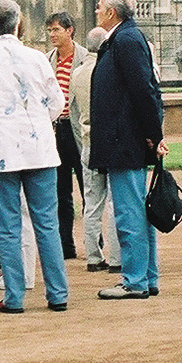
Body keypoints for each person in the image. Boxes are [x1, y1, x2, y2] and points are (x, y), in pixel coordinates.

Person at [0, 0, 68, 315]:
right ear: (18, 22)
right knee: (46, 223)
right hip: (39, 148)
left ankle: (15, 296)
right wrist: (36, 121)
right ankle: (58, 293)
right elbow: (56, 103)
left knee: (7, 226)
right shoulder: (37, 58)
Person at [90, 0, 166, 301]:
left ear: (112, 12)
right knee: (136, 211)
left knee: (129, 213)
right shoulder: (123, 39)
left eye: (100, 6)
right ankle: (146, 276)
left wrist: (155, 135)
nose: (96, 10)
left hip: (124, 140)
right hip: (124, 138)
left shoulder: (126, 40)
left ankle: (135, 280)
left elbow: (145, 90)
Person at [74, 27, 119, 274]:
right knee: (113, 200)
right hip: (108, 141)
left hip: (87, 141)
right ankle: (117, 256)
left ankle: (93, 256)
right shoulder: (106, 70)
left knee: (91, 202)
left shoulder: (78, 73)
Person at [45, 11, 86, 259]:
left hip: (77, 128)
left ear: (69, 30)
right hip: (56, 130)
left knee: (87, 188)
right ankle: (65, 246)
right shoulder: (47, 60)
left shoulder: (84, 58)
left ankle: (94, 243)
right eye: (50, 30)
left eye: (56, 30)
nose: (52, 35)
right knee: (60, 192)